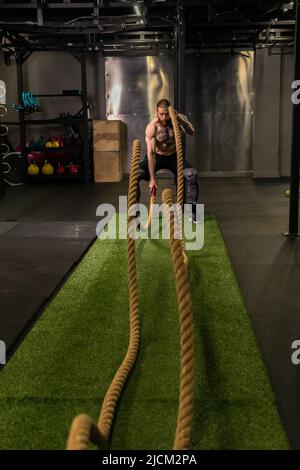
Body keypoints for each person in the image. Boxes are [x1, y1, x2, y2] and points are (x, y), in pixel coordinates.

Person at [137, 98, 199, 223]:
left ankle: (192, 211)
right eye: (161, 114)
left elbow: (192, 132)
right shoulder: (152, 127)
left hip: (174, 157)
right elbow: (150, 153)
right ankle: (135, 213)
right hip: (157, 157)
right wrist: (152, 179)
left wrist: (181, 121)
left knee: (192, 174)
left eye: (166, 114)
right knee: (136, 176)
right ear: (156, 112)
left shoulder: (178, 119)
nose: (164, 117)